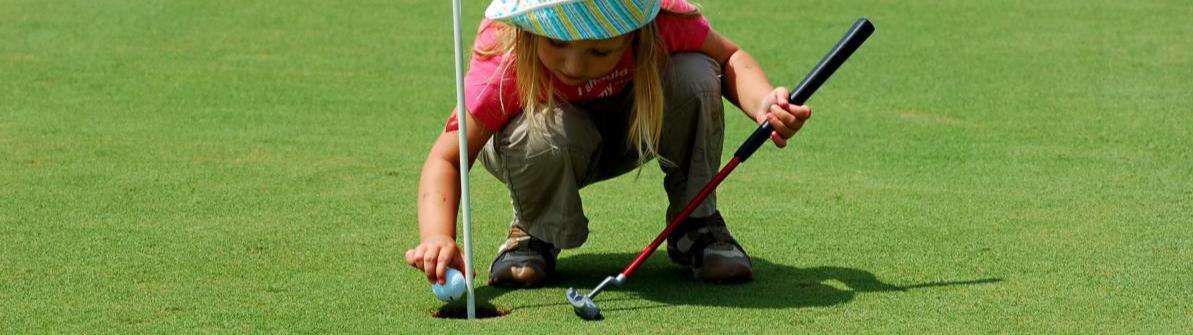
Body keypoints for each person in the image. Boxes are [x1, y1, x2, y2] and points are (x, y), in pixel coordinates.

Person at [405, 0, 812, 288]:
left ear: (634, 32)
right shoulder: (506, 58)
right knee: (540, 132)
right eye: (557, 42)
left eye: (599, 49)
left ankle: (696, 224)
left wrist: (763, 105)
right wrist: (438, 237)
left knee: (698, 75)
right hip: (544, 146)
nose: (574, 65)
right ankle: (534, 233)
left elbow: (730, 57)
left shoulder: (660, 22)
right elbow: (448, 157)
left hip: (634, 129)